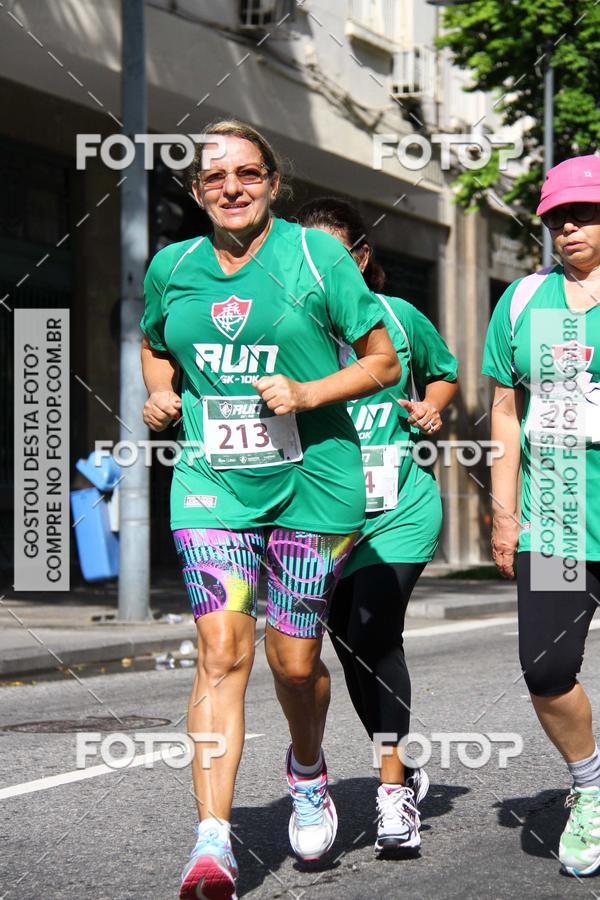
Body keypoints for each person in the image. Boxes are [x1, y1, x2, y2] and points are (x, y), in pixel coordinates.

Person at [140, 121, 400, 899]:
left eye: (249, 174)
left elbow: (383, 361)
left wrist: (310, 392)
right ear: (195, 192)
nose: (232, 188)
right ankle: (212, 844)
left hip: (313, 485)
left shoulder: (317, 256)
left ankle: (309, 770)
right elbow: (156, 343)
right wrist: (159, 392)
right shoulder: (172, 266)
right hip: (213, 483)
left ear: (273, 183)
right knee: (222, 652)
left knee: (294, 661)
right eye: (215, 178)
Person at [296, 198, 458, 857]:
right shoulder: (289, 328)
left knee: (373, 630)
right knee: (350, 649)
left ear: (361, 259)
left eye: (332, 256)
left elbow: (444, 374)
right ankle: (403, 765)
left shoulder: (400, 319)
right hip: (325, 514)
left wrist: (431, 409)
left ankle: (393, 793)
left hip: (399, 509)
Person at [482, 154, 600, 877]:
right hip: (554, 515)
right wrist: (504, 514)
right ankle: (590, 790)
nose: (569, 228)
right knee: (546, 668)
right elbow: (502, 411)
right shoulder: (524, 301)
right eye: (558, 217)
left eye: (584, 213)